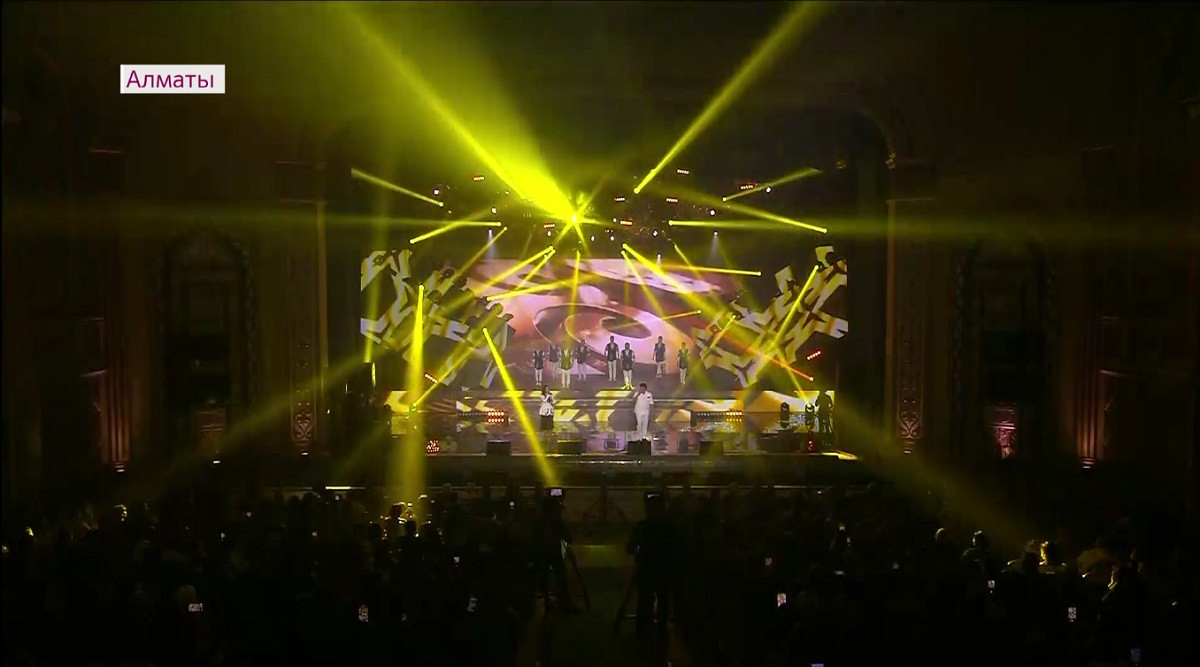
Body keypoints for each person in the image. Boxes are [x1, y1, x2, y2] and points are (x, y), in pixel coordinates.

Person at [627, 492, 675, 645]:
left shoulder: (642, 526)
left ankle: (642, 633)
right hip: (664, 570)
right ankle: (660, 631)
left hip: (646, 569)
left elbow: (630, 548)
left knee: (644, 601)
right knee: (663, 602)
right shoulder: (670, 527)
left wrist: (639, 551)